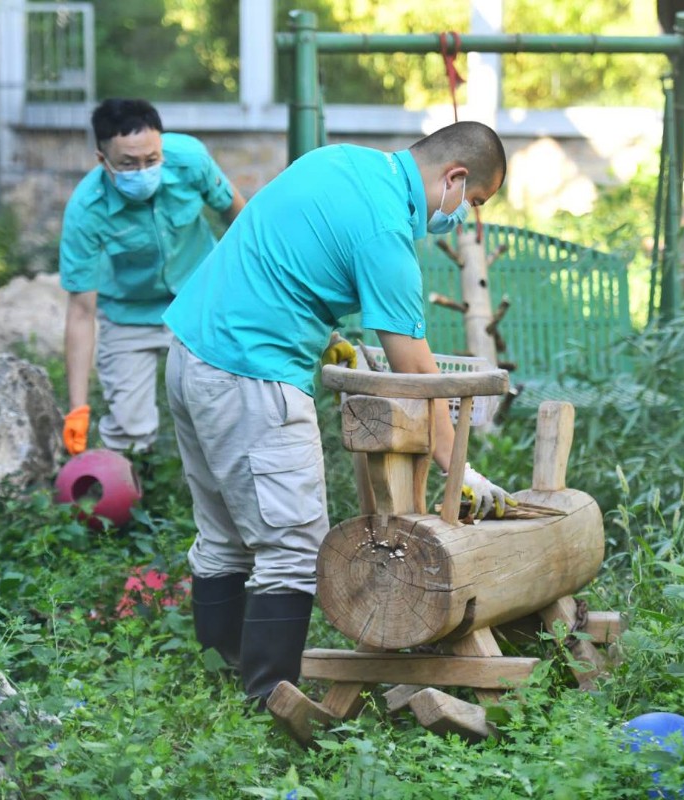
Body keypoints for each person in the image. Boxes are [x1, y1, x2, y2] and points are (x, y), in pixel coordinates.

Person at [162, 120, 516, 708]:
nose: (460, 214)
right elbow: (419, 378)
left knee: (223, 538)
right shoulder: (385, 233)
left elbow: (287, 256)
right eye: (470, 201)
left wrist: (322, 330)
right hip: (253, 372)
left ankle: (218, 683)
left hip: (192, 351)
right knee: (295, 549)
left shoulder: (343, 162)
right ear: (453, 177)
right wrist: (464, 471)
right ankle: (265, 704)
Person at [58, 98, 246, 455]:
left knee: (222, 415)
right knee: (129, 433)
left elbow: (241, 220)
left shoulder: (190, 160)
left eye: (151, 159)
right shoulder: (86, 211)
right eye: (128, 164)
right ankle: (131, 495)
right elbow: (81, 312)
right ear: (103, 161)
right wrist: (77, 408)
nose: (143, 170)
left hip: (199, 301)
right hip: (130, 313)